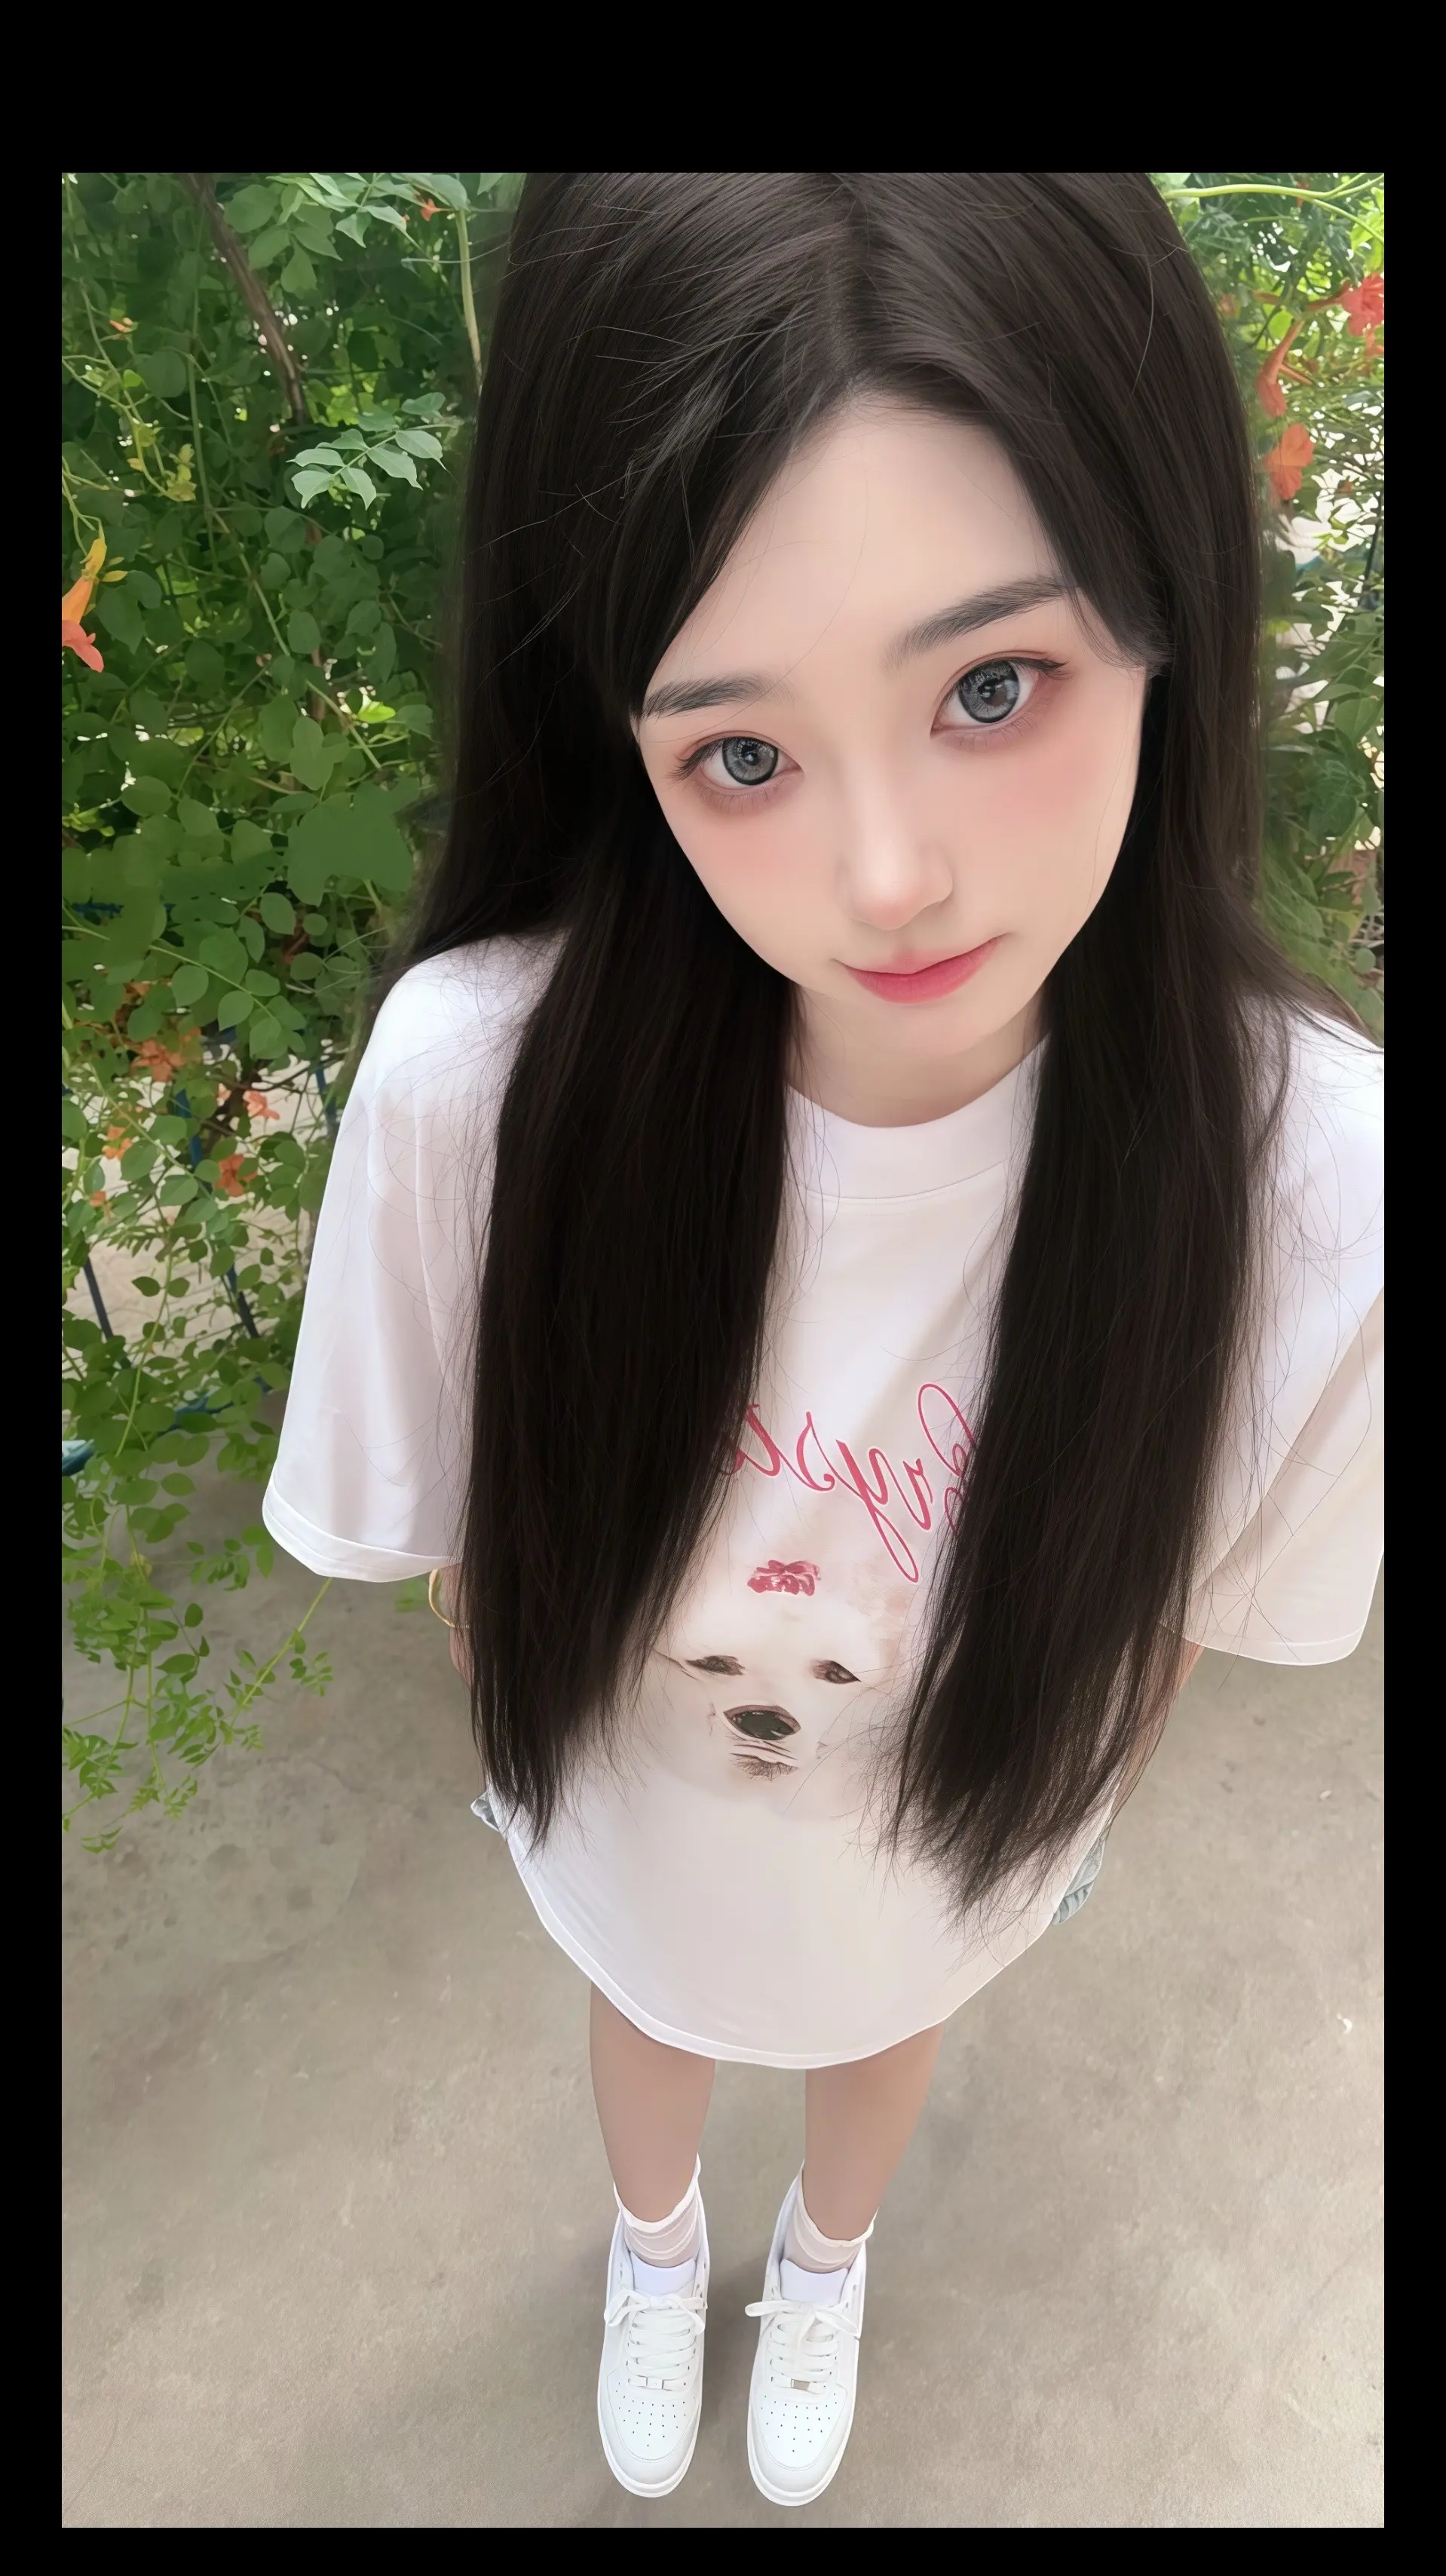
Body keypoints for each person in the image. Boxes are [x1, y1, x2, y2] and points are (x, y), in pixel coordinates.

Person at [262, 173, 1383, 2511]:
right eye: (741, 755)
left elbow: (1183, 1609)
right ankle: (657, 2242)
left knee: (886, 2017)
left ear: (1165, 600)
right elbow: (452, 1537)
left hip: (952, 1838)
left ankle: (826, 2259)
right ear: (620, 738)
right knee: (653, 2009)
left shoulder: (1315, 1184)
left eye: (991, 686)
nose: (888, 880)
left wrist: (1030, 1785)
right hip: (636, 1828)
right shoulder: (478, 1093)